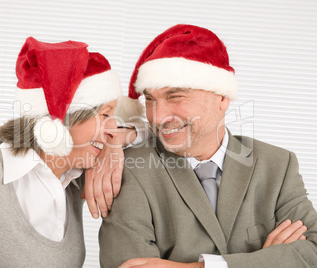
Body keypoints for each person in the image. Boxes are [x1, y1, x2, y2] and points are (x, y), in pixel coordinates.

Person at [99, 24, 317, 268]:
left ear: (222, 97)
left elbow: (314, 250)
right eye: (149, 100)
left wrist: (200, 267)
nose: (158, 117)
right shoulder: (130, 170)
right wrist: (268, 260)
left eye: (175, 97)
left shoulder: (277, 165)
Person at [0, 37, 140, 267]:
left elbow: (158, 129)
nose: (112, 128)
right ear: (63, 118)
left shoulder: (71, 178)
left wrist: (113, 146)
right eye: (104, 115)